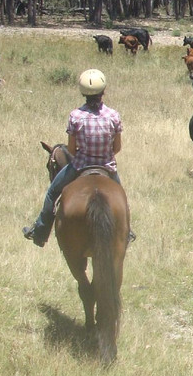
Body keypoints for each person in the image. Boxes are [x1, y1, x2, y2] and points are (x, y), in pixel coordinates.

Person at [23, 69, 124, 247]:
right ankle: (126, 231)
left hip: (80, 166)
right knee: (122, 198)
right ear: (103, 91)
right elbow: (117, 148)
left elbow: (71, 149)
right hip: (107, 167)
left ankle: (39, 232)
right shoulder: (113, 115)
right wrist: (103, 156)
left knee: (52, 193)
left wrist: (84, 155)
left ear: (83, 92)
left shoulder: (75, 116)